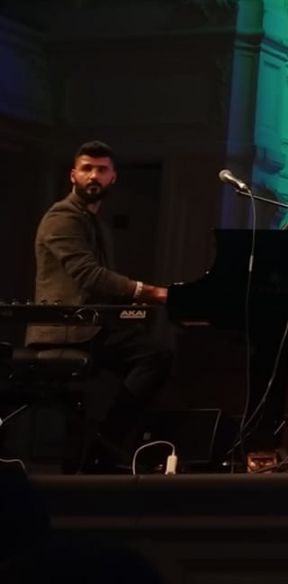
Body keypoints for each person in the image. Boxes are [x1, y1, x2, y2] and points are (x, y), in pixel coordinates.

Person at [29, 141, 173, 470]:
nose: (94, 175)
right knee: (155, 356)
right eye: (86, 169)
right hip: (66, 331)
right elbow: (88, 275)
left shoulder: (96, 223)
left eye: (101, 169)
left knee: (154, 354)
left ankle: (110, 448)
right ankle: (104, 451)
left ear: (113, 178)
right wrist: (148, 292)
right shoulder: (62, 217)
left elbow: (101, 288)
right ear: (73, 176)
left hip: (88, 327)